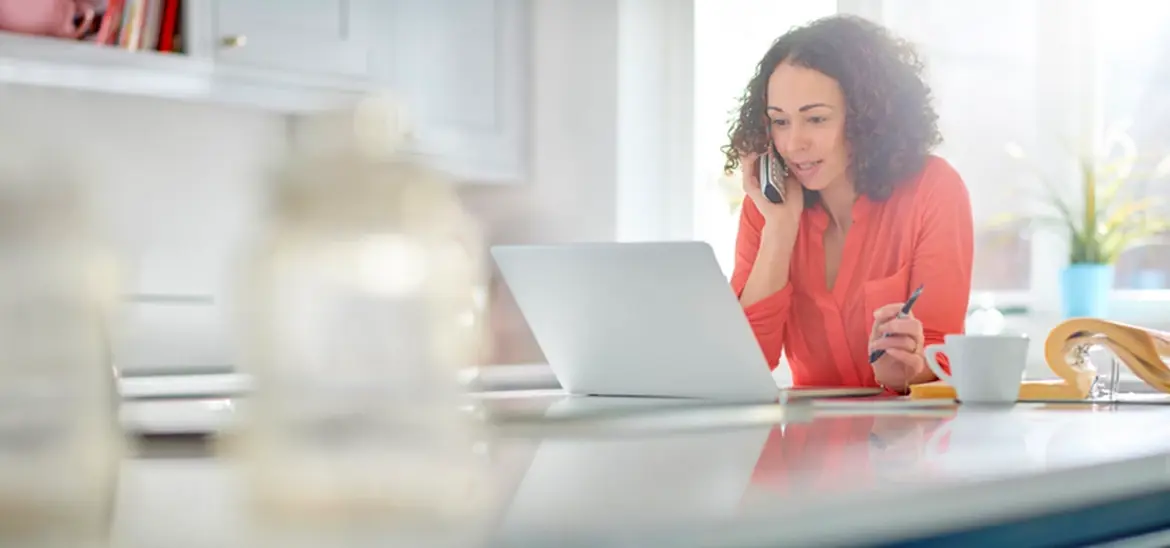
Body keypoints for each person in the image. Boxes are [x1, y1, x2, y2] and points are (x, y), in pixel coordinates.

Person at [724, 15, 974, 394]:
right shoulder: (766, 208)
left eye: (816, 119)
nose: (793, 144)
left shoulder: (933, 189)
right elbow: (742, 365)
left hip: (907, 441)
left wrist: (905, 368)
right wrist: (779, 230)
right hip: (808, 444)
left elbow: (941, 352)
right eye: (780, 122)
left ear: (867, 119)